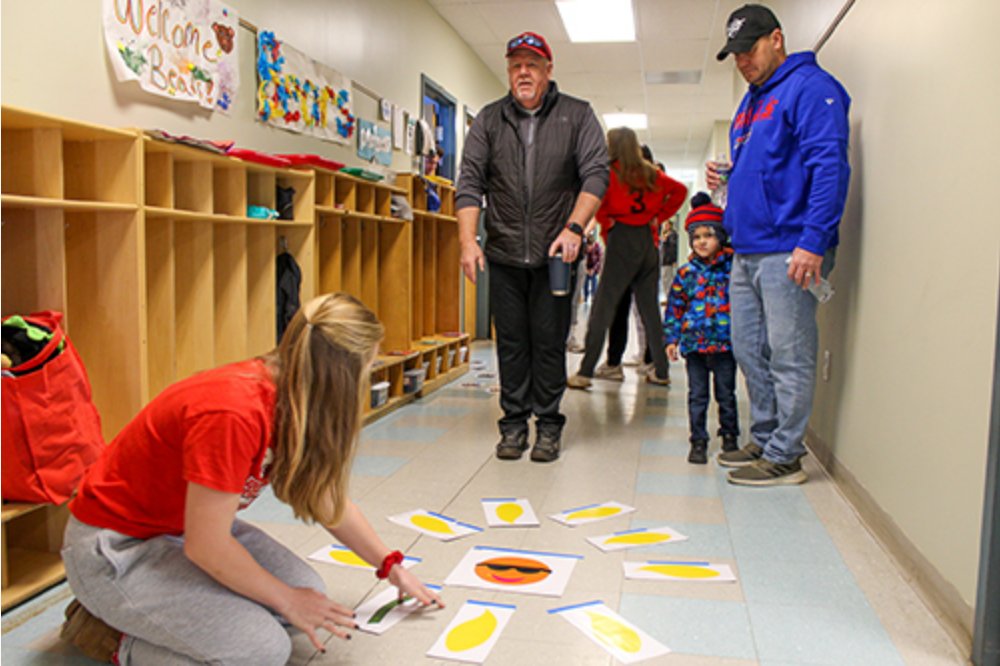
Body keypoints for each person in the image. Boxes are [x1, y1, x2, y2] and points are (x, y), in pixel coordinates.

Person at [59, 293, 443, 664]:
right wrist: (286, 600)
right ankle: (111, 635)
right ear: (339, 379)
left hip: (178, 529)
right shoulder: (232, 413)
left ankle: (161, 611)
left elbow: (327, 500)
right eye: (365, 371)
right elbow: (207, 547)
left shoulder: (292, 391)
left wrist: (391, 566)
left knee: (307, 592)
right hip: (116, 547)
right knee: (260, 651)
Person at [710, 4, 851, 485]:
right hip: (747, 247)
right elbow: (766, 168)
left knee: (788, 353)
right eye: (735, 55)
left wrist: (814, 241)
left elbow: (829, 167)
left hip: (791, 246)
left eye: (748, 50)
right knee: (748, 348)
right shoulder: (751, 102)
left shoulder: (810, 87)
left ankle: (786, 455)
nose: (742, 61)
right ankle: (766, 437)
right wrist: (727, 182)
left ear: (776, 39)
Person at [456, 31, 609, 463]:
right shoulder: (489, 120)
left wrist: (575, 228)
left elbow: (596, 173)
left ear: (548, 69)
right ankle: (513, 425)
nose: (523, 72)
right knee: (511, 343)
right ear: (509, 71)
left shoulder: (577, 116)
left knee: (548, 341)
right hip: (504, 253)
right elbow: (469, 181)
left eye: (532, 64)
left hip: (554, 256)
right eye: (516, 65)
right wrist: (468, 240)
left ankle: (548, 425)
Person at [567, 127, 687, 390]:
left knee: (602, 309)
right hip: (647, 241)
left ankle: (586, 371)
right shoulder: (651, 173)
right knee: (650, 311)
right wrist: (658, 216)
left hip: (622, 238)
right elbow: (680, 191)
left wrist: (608, 232)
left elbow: (601, 208)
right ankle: (661, 370)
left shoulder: (609, 173)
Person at [664, 201, 740, 465]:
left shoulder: (733, 269)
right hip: (694, 346)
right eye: (696, 237)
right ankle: (698, 440)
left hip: (724, 346)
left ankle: (729, 436)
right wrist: (671, 339)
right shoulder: (686, 273)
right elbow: (675, 307)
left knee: (726, 394)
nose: (702, 242)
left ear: (721, 236)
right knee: (697, 395)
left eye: (708, 235)